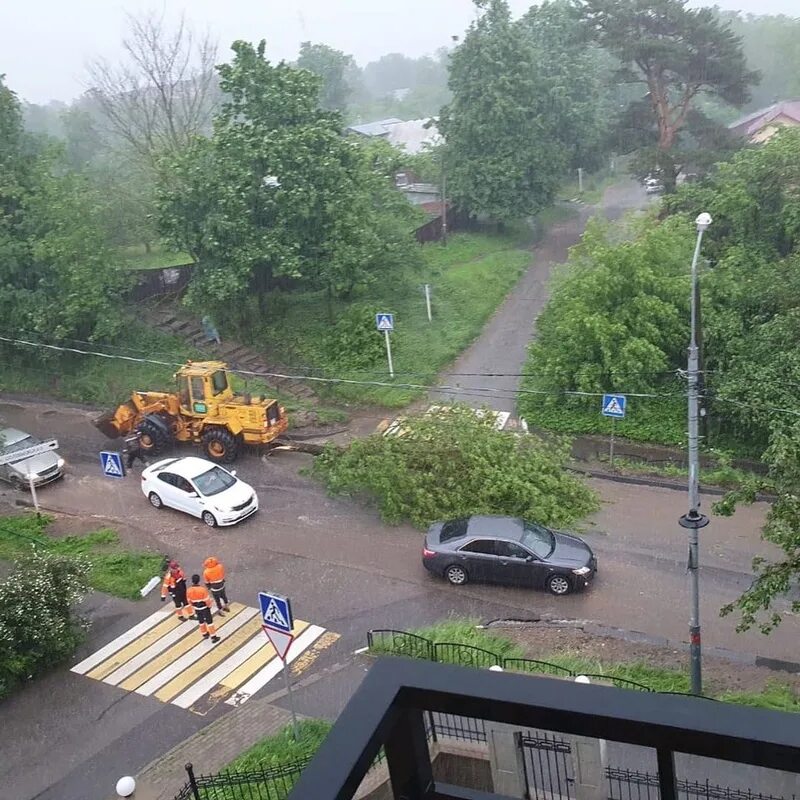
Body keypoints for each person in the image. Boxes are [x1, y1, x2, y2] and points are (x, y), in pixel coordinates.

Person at [187, 574, 220, 643]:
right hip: (204, 608)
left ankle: (204, 634)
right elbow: (207, 600)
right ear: (199, 581)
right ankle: (213, 636)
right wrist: (209, 606)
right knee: (209, 622)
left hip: (196, 608)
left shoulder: (189, 590)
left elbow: (189, 600)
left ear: (192, 581)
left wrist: (193, 606)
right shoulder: (202, 590)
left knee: (201, 621)